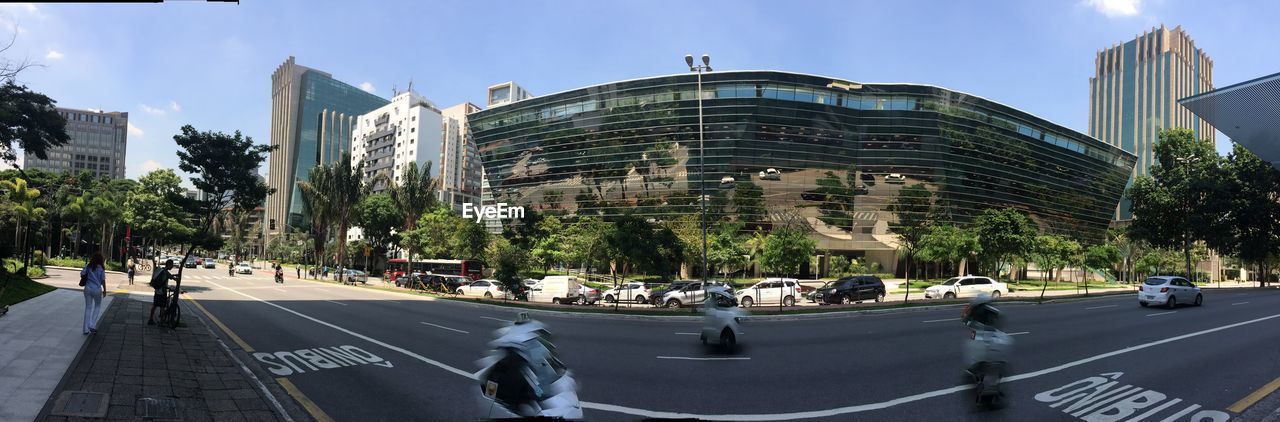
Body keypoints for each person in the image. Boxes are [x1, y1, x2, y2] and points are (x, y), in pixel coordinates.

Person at [80, 253, 108, 335]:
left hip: (88, 288)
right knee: (97, 306)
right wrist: (105, 290)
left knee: (88, 307)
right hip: (97, 289)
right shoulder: (101, 268)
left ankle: (85, 329)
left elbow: (82, 274)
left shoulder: (88, 266)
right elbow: (103, 280)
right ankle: (92, 325)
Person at [148, 259, 176, 325]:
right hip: (162, 292)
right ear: (168, 265)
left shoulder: (161, 270)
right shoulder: (166, 272)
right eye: (171, 265)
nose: (172, 266)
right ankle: (161, 322)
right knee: (163, 307)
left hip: (157, 291)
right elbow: (172, 277)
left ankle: (150, 319)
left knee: (154, 305)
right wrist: (177, 278)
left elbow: (170, 276)